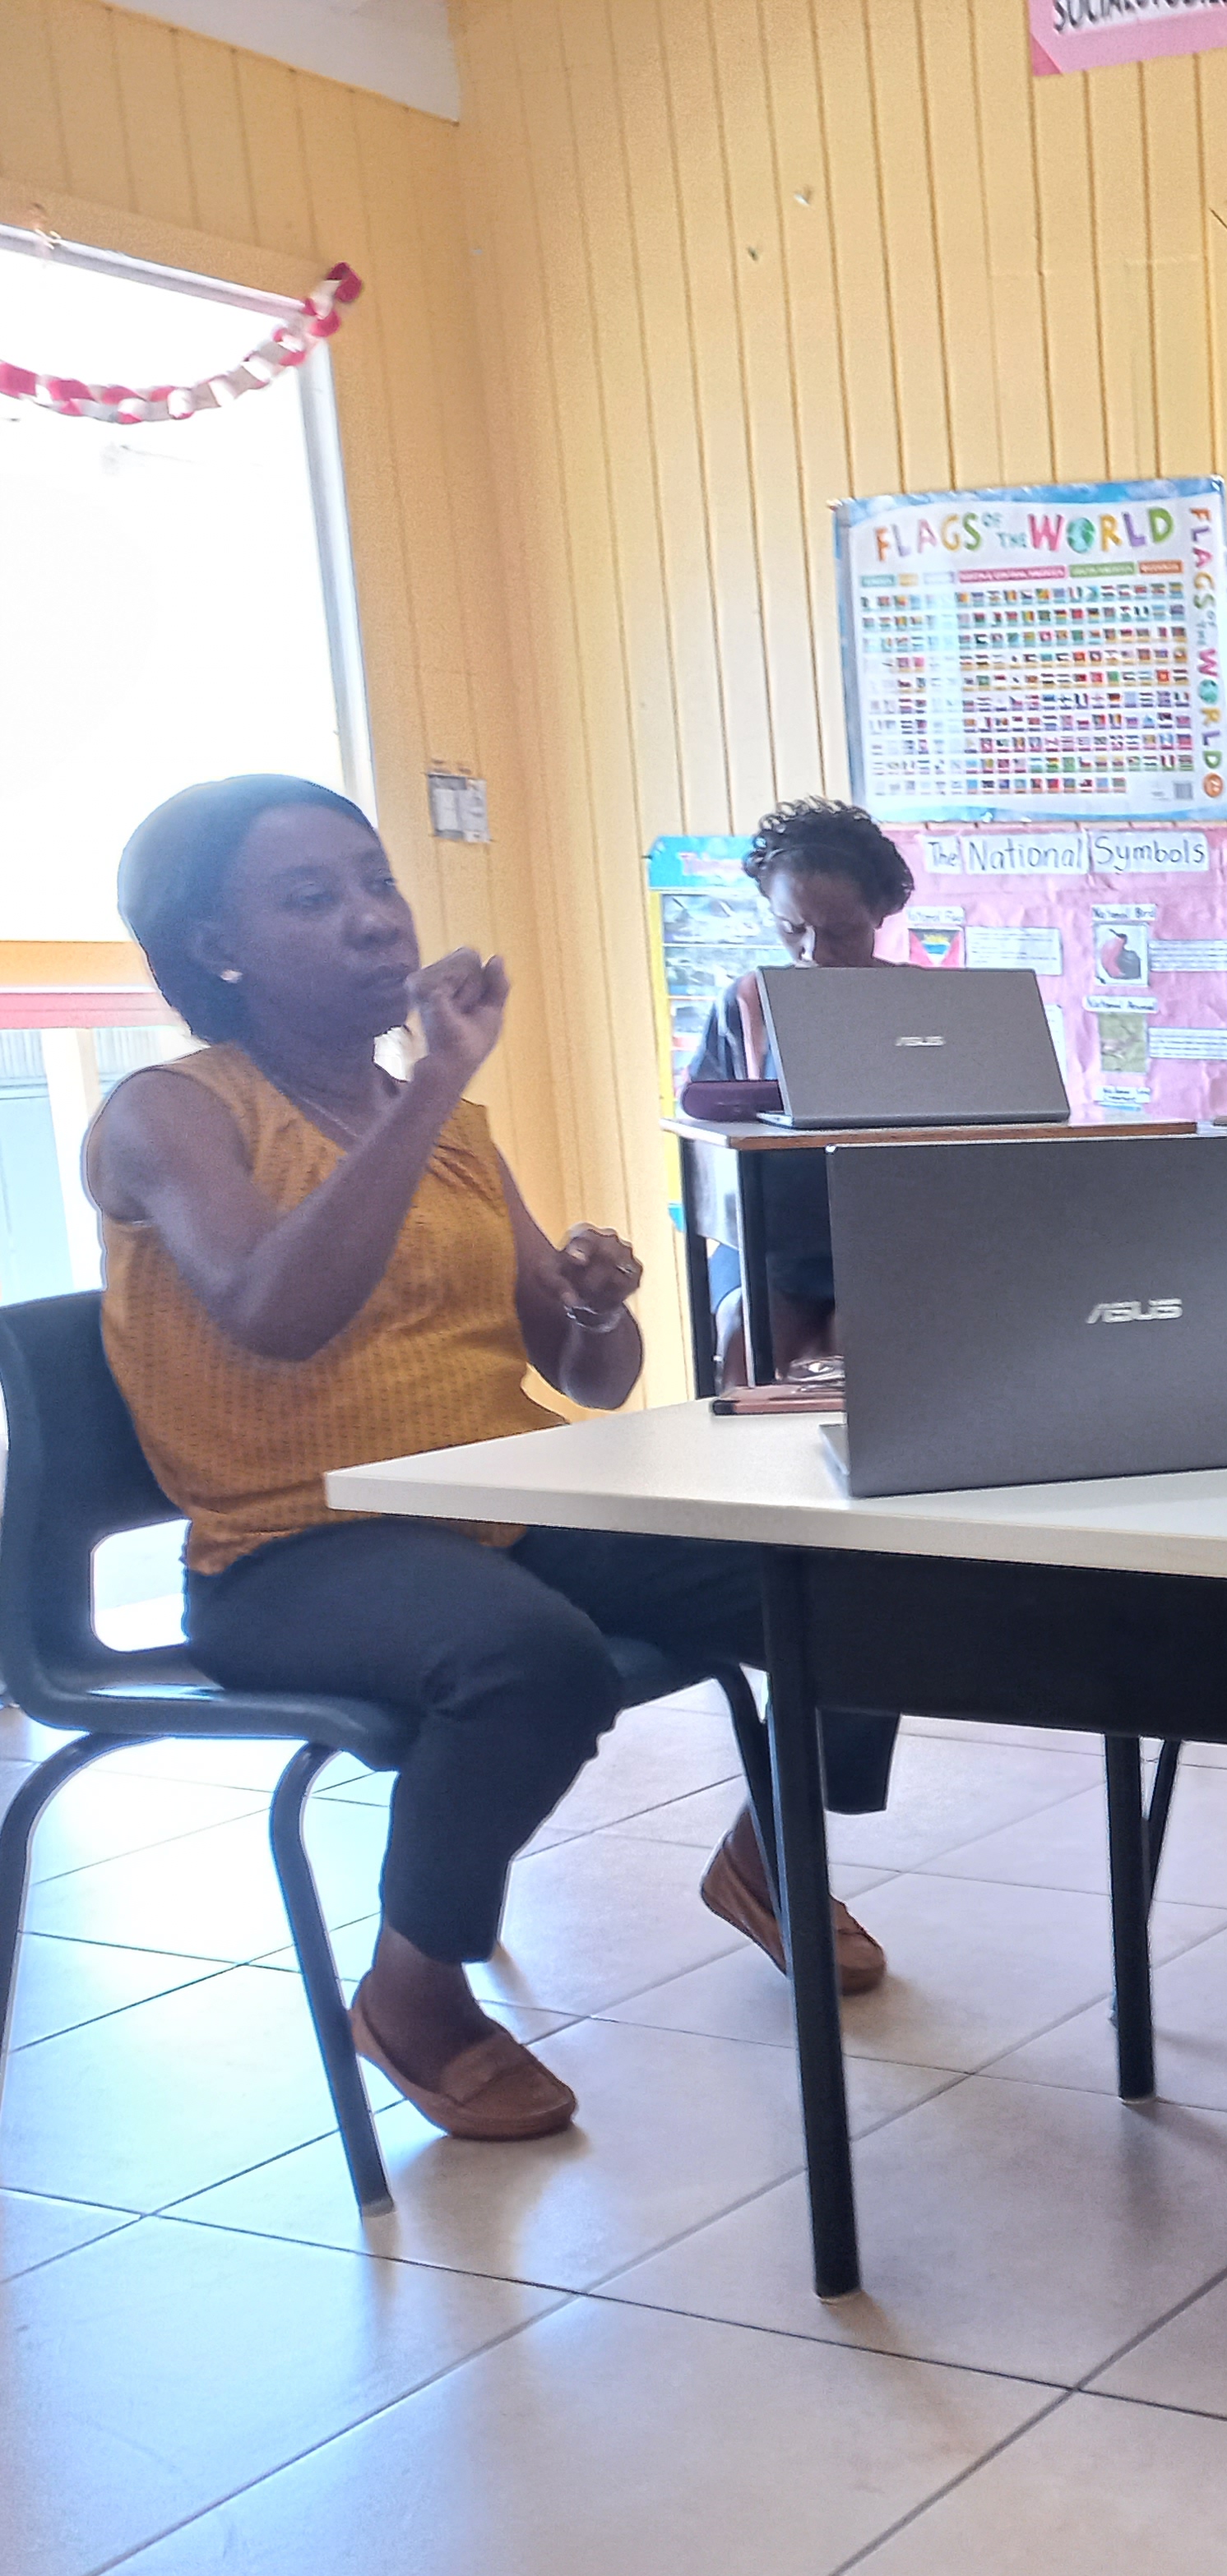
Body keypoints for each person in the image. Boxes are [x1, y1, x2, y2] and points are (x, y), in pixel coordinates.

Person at [89, 778, 907, 2144]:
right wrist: (436, 1088)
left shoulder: (448, 1128)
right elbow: (276, 1316)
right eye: (311, 897)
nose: (367, 919)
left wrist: (591, 1297)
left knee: (867, 1561)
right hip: (295, 1543)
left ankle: (773, 1849)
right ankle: (412, 1987)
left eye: (375, 882)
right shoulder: (169, 1114)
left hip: (498, 1501)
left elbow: (591, 1376)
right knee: (529, 1658)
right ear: (214, 946)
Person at [676, 797, 919, 1373]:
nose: (815, 953)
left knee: (860, 1359)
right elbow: (703, 1129)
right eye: (793, 929)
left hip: (894, 1245)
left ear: (881, 911)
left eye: (841, 933)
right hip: (773, 1247)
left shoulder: (925, 1009)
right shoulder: (745, 1006)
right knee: (742, 1357)